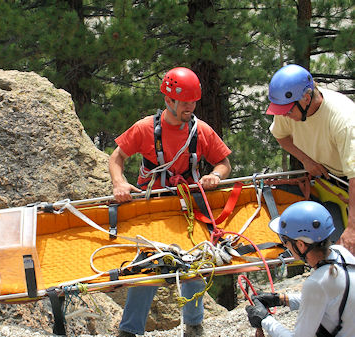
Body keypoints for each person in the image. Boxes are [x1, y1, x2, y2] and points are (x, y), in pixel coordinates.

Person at [108, 66, 232, 337]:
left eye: (193, 102)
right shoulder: (145, 129)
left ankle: (194, 326)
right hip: (153, 207)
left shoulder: (201, 131)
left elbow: (224, 163)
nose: (190, 107)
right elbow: (116, 158)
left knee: (194, 265)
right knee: (148, 267)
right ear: (169, 100)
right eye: (185, 102)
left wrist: (214, 175)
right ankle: (129, 331)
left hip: (187, 208)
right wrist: (119, 182)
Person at [266, 64, 355, 255]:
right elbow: (281, 136)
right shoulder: (289, 108)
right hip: (334, 176)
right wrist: (306, 160)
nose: (284, 115)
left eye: (288, 111)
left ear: (306, 98)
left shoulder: (344, 120)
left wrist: (353, 230)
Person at [245, 201, 355, 337]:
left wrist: (265, 320)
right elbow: (329, 297)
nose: (285, 246)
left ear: (301, 245)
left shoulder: (316, 283)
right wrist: (282, 299)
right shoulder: (341, 254)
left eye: (285, 241)